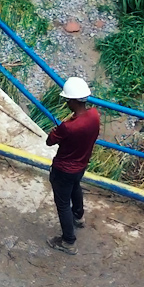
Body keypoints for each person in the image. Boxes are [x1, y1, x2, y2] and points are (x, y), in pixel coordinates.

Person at [45, 77, 100, 255]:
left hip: (63, 170)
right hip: (81, 165)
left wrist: (58, 129)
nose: (66, 102)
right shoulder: (94, 115)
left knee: (62, 204)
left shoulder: (68, 127)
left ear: (74, 101)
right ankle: (79, 216)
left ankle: (68, 241)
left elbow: (49, 141)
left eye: (68, 100)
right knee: (76, 187)